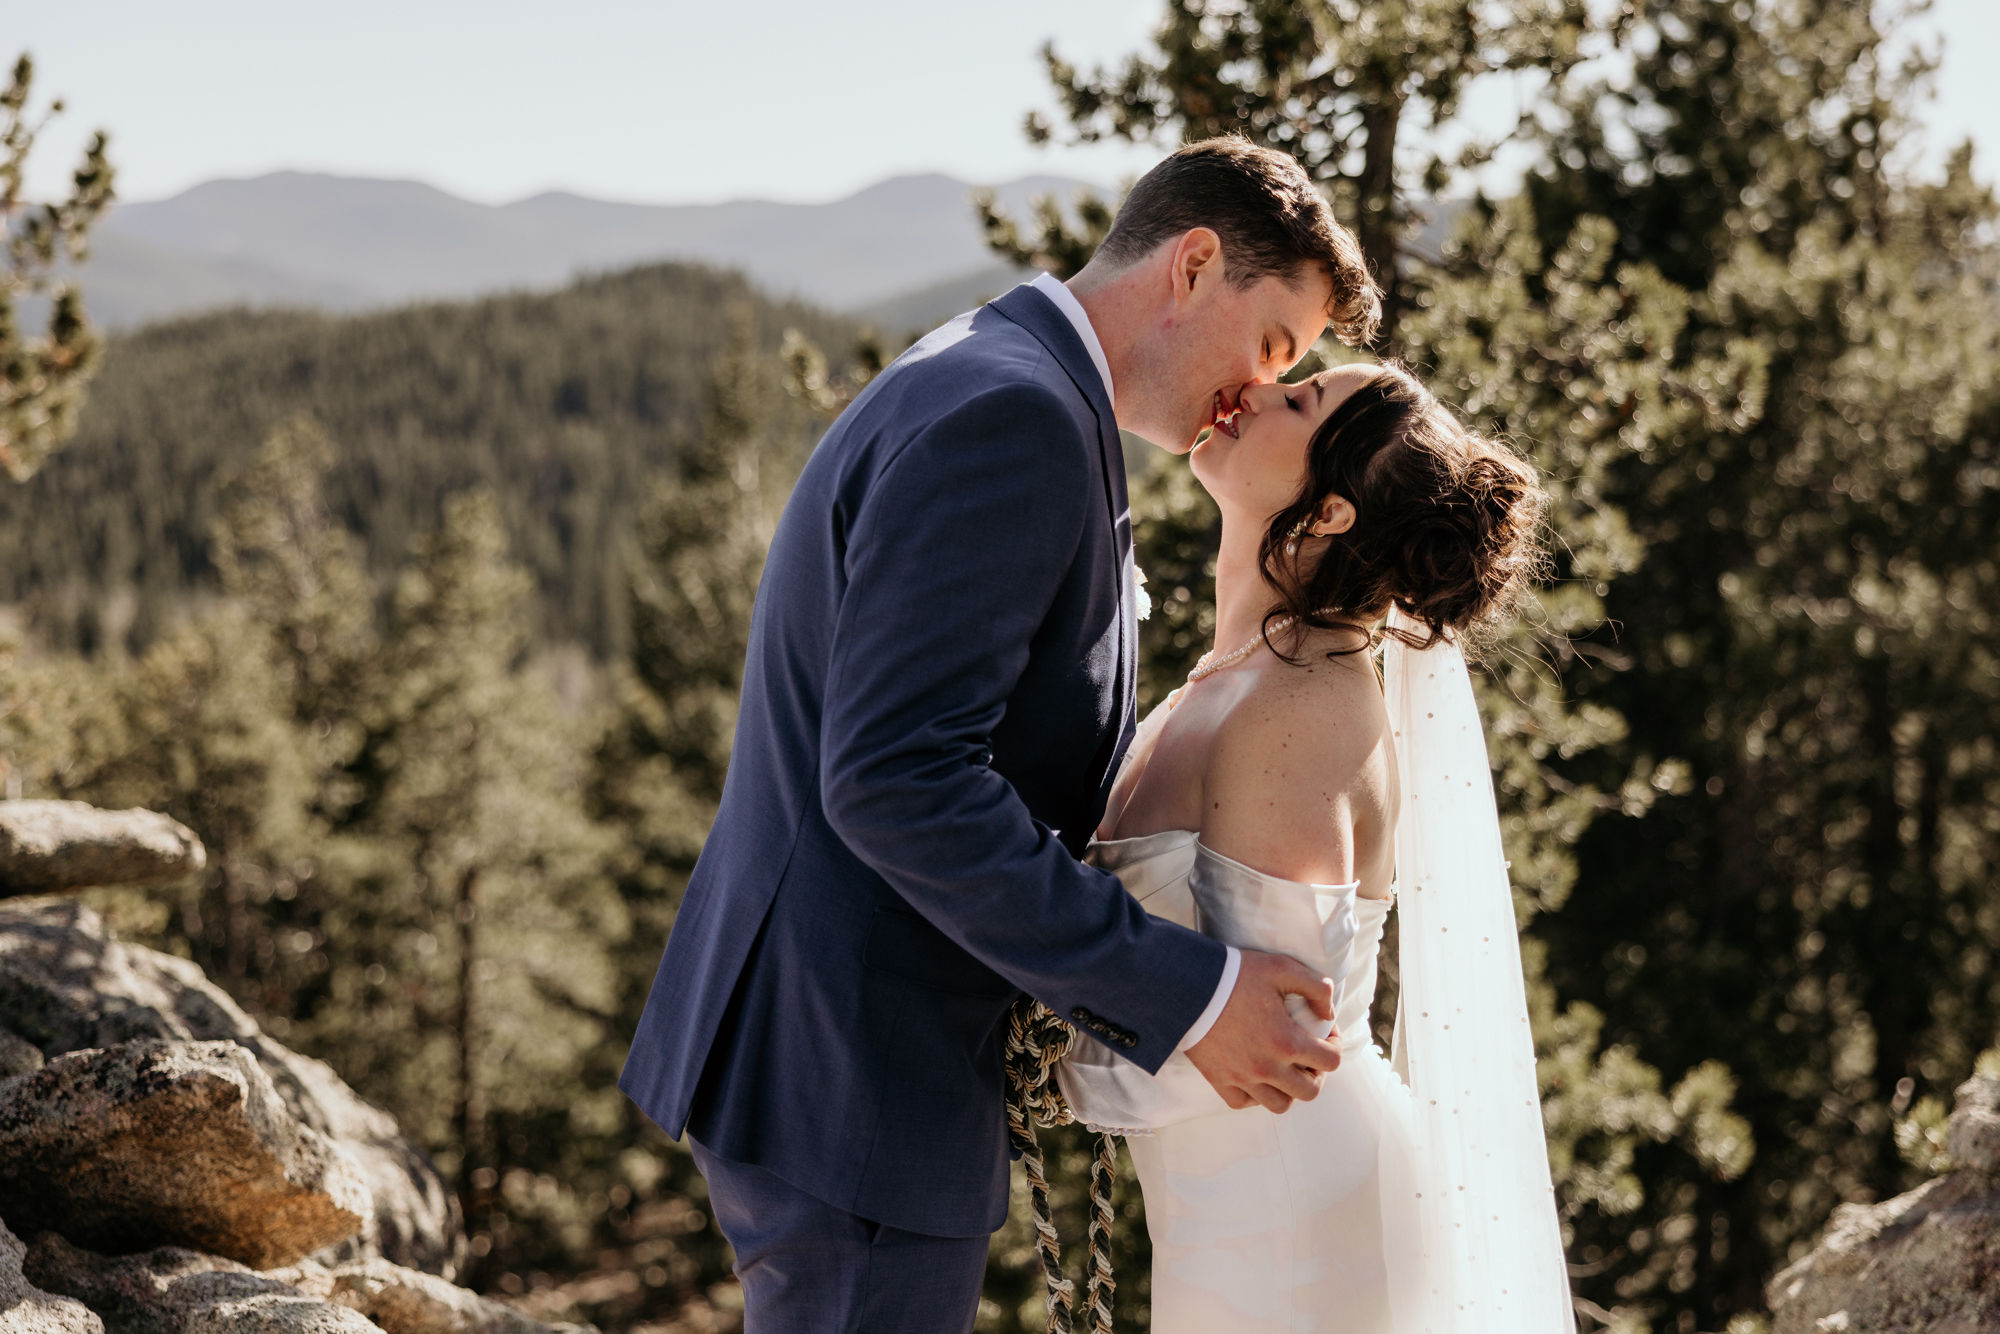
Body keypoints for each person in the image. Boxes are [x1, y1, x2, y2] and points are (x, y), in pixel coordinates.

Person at [616, 136, 1382, 1333]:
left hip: (836, 1050)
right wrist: (1180, 990)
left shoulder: (1004, 374)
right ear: (1191, 265)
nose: (1253, 388)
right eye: (1273, 347)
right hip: (857, 1068)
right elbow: (897, 776)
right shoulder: (1014, 420)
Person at [1055, 359, 1576, 1331]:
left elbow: (1270, 1030)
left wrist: (1037, 1026)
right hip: (1235, 1200)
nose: (1253, 389)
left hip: (1294, 1214)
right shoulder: (1238, 674)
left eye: (1297, 400)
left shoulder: (1301, 704)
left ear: (1328, 512)